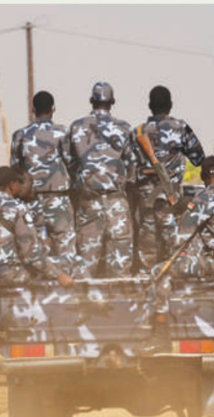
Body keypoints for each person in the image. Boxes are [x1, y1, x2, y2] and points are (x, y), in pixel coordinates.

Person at [140, 157, 214, 355]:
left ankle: (160, 336)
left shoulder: (203, 199)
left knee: (160, 272)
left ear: (203, 177)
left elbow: (181, 236)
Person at [67, 82, 138, 277]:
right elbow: (132, 166)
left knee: (85, 265)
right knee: (120, 265)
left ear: (91, 101)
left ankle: (85, 307)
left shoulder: (76, 127)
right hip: (117, 202)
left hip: (88, 203)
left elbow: (69, 165)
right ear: (112, 102)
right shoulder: (124, 128)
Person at [134, 85, 206, 272]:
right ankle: (175, 272)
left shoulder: (138, 131)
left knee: (147, 240)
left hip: (145, 198)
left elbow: (128, 167)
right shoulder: (180, 128)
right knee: (172, 241)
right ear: (170, 105)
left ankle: (147, 276)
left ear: (149, 105)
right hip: (169, 196)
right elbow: (199, 159)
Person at [0, 166, 75, 288]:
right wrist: (58, 275)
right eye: (18, 184)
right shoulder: (17, 208)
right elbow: (31, 254)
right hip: (11, 274)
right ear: (12, 185)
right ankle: (88, 304)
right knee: (73, 262)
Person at [10, 91, 77, 265]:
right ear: (52, 109)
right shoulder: (63, 132)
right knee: (65, 247)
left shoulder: (20, 135)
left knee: (33, 249)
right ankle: (66, 286)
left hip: (30, 201)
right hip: (58, 199)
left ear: (33, 109)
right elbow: (71, 163)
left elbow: (14, 169)